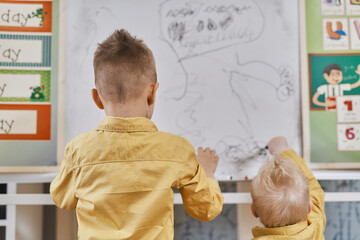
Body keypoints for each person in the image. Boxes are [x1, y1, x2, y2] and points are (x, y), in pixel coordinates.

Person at [50, 29, 223, 240]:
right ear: (152, 92)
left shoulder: (78, 150)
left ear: (97, 98)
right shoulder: (176, 149)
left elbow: (61, 198)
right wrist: (208, 174)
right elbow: (206, 209)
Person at [250, 136, 326, 239]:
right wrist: (283, 151)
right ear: (309, 206)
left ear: (253, 210)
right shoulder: (315, 224)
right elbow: (314, 188)